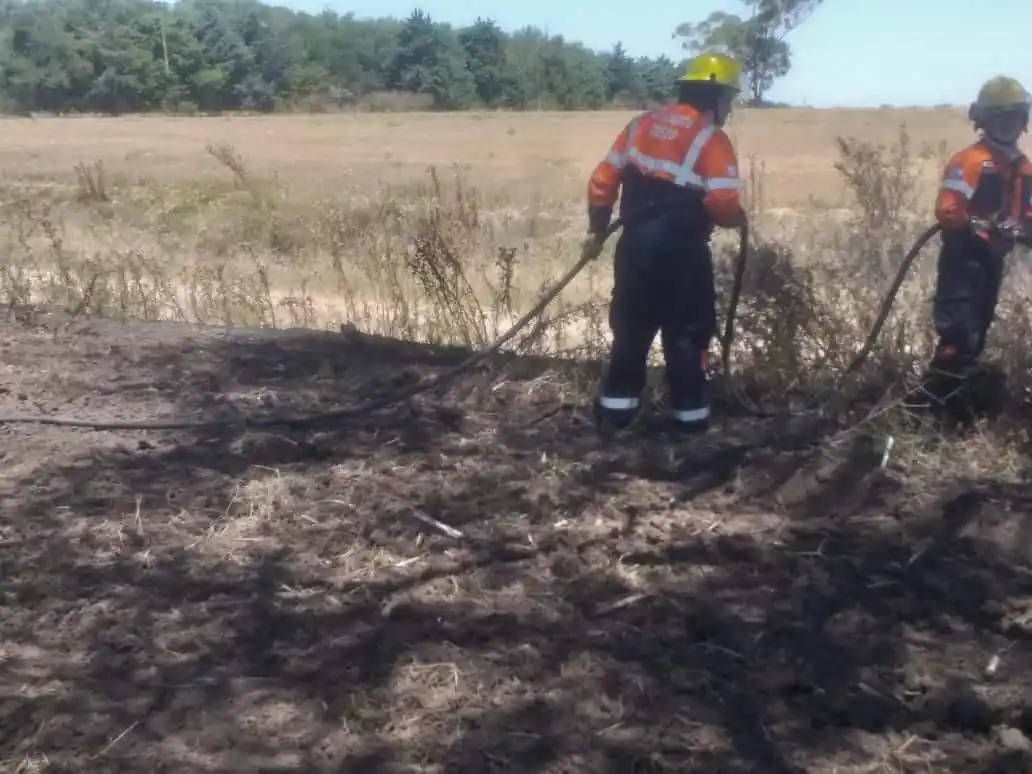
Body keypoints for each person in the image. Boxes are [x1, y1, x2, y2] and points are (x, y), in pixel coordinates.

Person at [581, 51, 746, 436]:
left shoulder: (640, 125)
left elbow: (603, 179)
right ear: (717, 97)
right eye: (730, 100)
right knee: (687, 334)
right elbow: (723, 203)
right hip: (682, 253)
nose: (729, 108)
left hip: (634, 247)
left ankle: (615, 417)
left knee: (631, 331)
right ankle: (689, 424)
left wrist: (597, 228)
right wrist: (734, 219)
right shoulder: (711, 139)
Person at [920, 75, 1032, 417]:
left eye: (1015, 117)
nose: (1009, 125)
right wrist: (983, 226)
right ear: (983, 120)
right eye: (1001, 117)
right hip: (963, 258)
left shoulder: (1022, 166)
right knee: (958, 335)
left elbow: (1027, 212)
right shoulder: (969, 161)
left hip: (991, 261)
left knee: (978, 332)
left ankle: (959, 407)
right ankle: (934, 410)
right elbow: (948, 209)